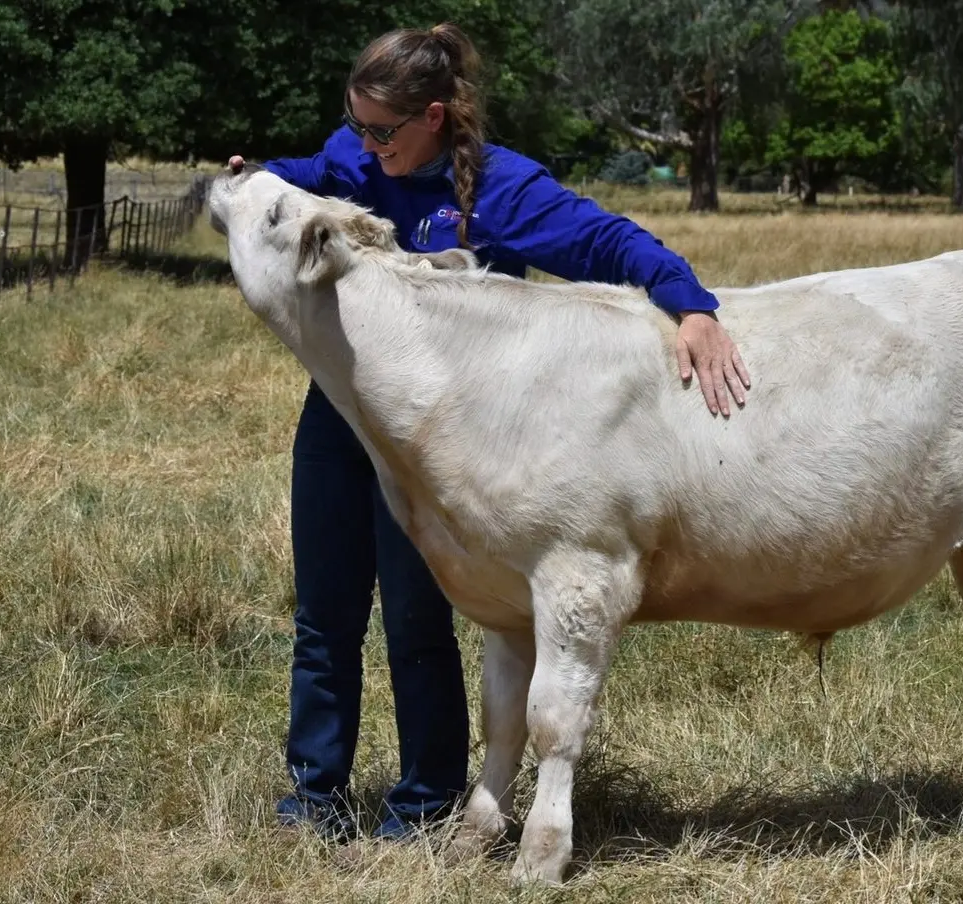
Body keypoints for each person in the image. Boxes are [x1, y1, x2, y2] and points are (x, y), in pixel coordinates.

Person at [226, 23, 752, 842]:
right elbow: (304, 178)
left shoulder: (502, 190)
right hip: (340, 421)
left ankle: (425, 798)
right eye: (355, 125)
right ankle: (313, 795)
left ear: (434, 116)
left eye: (381, 130)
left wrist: (691, 303)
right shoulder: (355, 156)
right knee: (324, 614)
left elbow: (605, 237)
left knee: (416, 614)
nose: (363, 146)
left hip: (451, 448)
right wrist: (256, 180)